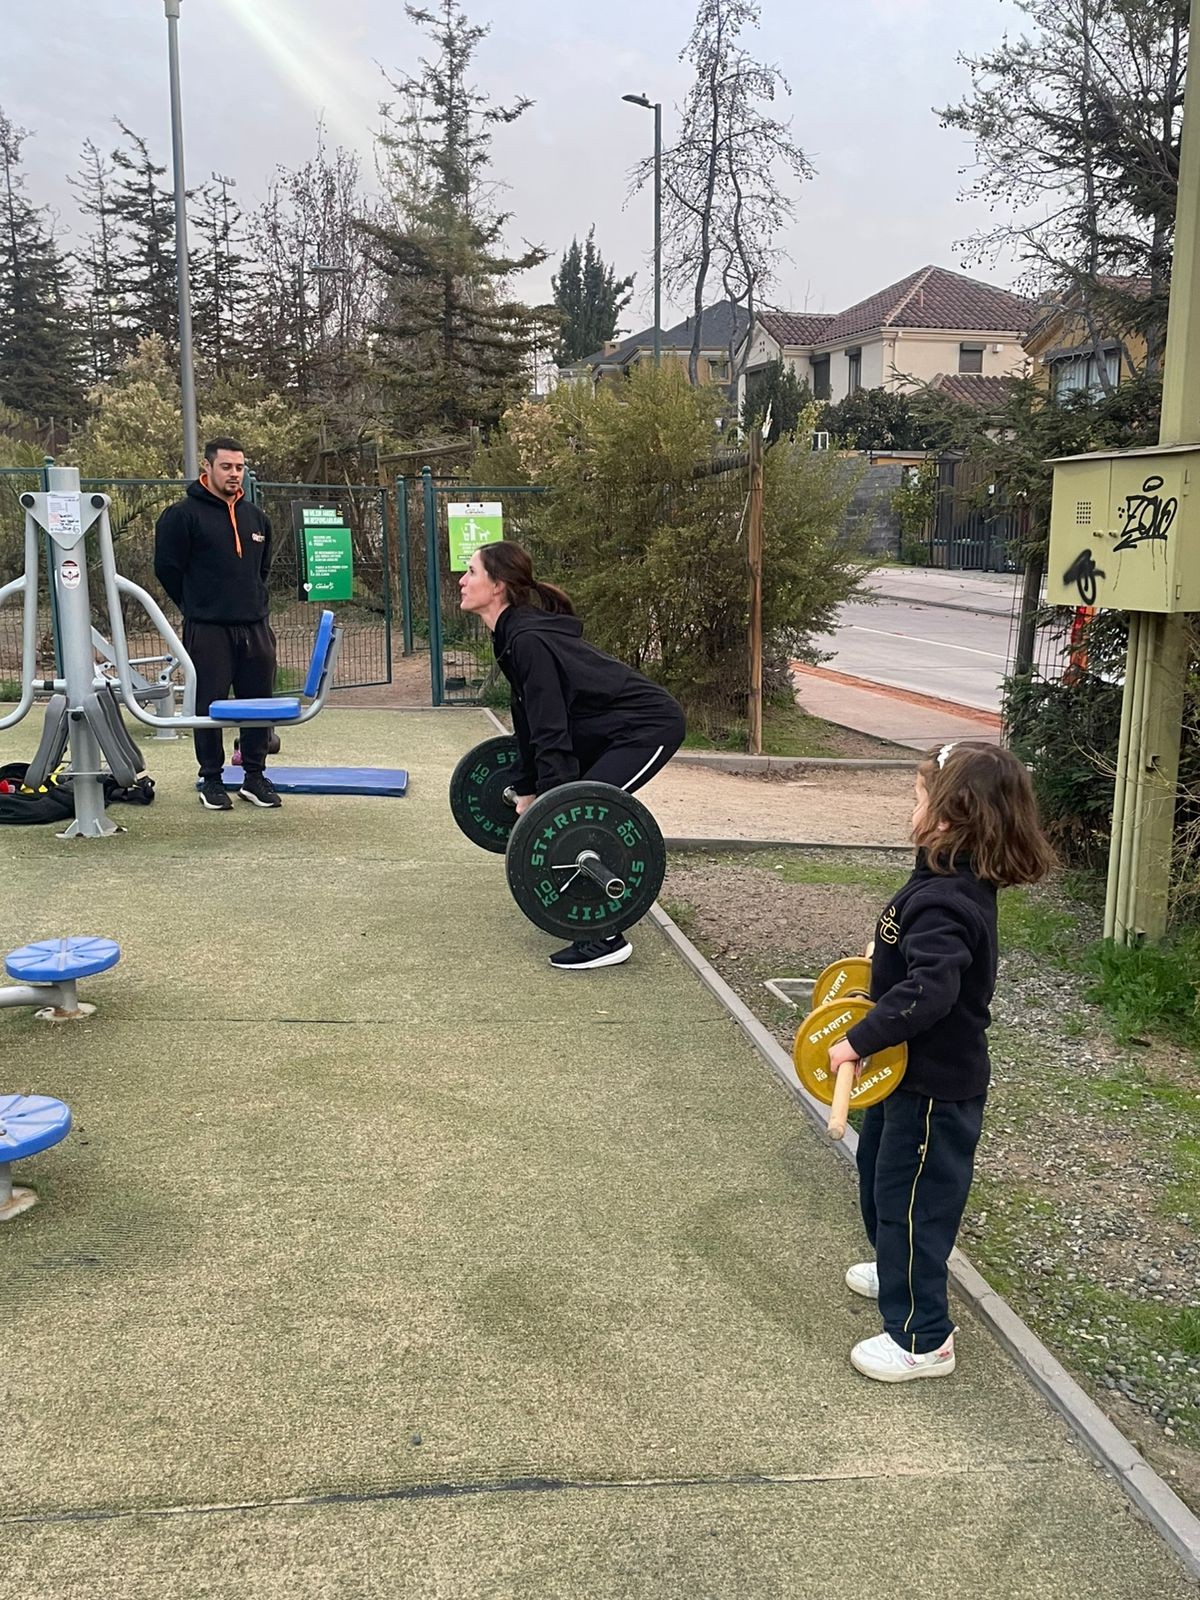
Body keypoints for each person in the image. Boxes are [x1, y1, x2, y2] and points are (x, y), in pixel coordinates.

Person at [828, 741, 1054, 1383]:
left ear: (952, 815)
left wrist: (859, 1039)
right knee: (880, 1179)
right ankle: (894, 1266)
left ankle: (923, 1339)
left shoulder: (949, 899)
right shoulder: (939, 873)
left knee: (914, 1207)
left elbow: (930, 990)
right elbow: (906, 964)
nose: (912, 807)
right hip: (904, 1076)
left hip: (932, 1088)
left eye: (920, 796)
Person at [459, 540, 685, 971]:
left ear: (498, 585)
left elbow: (550, 729)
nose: (462, 581)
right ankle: (592, 921)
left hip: (646, 728)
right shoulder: (511, 635)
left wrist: (550, 803)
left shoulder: (527, 639)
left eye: (471, 572)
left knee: (581, 816)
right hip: (606, 730)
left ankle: (605, 937)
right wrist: (526, 787)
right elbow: (528, 720)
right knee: (571, 809)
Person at [154, 437, 281, 811]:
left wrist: (249, 603)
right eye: (226, 466)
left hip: (254, 627)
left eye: (239, 467)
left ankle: (254, 777)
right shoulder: (182, 516)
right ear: (207, 468)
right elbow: (167, 569)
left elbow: (261, 570)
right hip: (207, 628)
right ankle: (211, 778)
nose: (234, 474)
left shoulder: (256, 518)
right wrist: (197, 605)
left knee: (258, 705)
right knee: (207, 705)